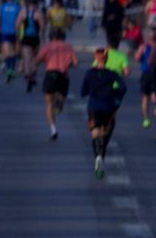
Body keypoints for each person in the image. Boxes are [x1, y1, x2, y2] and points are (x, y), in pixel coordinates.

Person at [80, 47, 127, 179]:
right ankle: (101, 157)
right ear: (106, 59)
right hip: (109, 107)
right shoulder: (112, 74)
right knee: (105, 135)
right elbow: (123, 88)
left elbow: (83, 92)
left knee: (95, 134)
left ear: (96, 58)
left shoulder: (89, 73)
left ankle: (97, 158)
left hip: (93, 108)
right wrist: (117, 99)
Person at [33, 30, 76, 141]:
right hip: (63, 75)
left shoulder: (47, 46)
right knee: (60, 103)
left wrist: (34, 69)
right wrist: (67, 63)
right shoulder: (68, 46)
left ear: (50, 37)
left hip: (50, 74)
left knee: (49, 105)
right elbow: (76, 62)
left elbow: (37, 59)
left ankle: (53, 130)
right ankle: (60, 102)